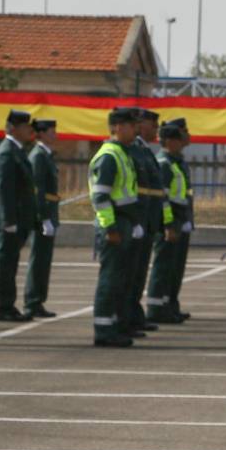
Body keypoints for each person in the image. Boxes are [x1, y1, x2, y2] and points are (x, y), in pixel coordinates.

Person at [88, 108, 143, 347]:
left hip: (124, 223)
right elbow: (100, 197)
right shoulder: (110, 155)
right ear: (118, 127)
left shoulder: (122, 153)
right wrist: (110, 227)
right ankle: (103, 329)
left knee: (120, 280)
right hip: (114, 225)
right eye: (132, 126)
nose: (136, 130)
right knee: (110, 280)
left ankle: (114, 326)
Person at [125, 108, 171, 334]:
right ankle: (127, 317)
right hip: (137, 220)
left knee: (139, 272)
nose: (156, 130)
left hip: (148, 220)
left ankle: (134, 316)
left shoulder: (144, 151)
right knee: (130, 274)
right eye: (153, 126)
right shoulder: (132, 151)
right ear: (141, 125)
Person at [146, 118, 194, 324]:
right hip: (170, 222)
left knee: (174, 267)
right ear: (167, 141)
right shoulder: (165, 164)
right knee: (163, 266)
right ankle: (156, 307)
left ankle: (168, 305)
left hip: (179, 219)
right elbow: (163, 199)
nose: (181, 142)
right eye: (177, 139)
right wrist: (168, 224)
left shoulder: (175, 162)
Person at [0, 109, 37, 321]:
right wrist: (8, 220)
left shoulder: (18, 151)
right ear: (13, 128)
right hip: (11, 221)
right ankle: (3, 306)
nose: (29, 130)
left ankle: (7, 304)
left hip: (20, 218)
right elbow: (4, 189)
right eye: (25, 127)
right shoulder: (6, 152)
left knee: (11, 263)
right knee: (5, 264)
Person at [23, 118, 60, 319]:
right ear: (42, 133)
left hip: (50, 214)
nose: (55, 134)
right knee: (38, 260)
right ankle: (32, 302)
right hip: (42, 217)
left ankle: (38, 300)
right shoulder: (38, 156)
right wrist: (44, 217)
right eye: (51, 131)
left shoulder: (46, 155)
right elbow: (38, 190)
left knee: (44, 261)